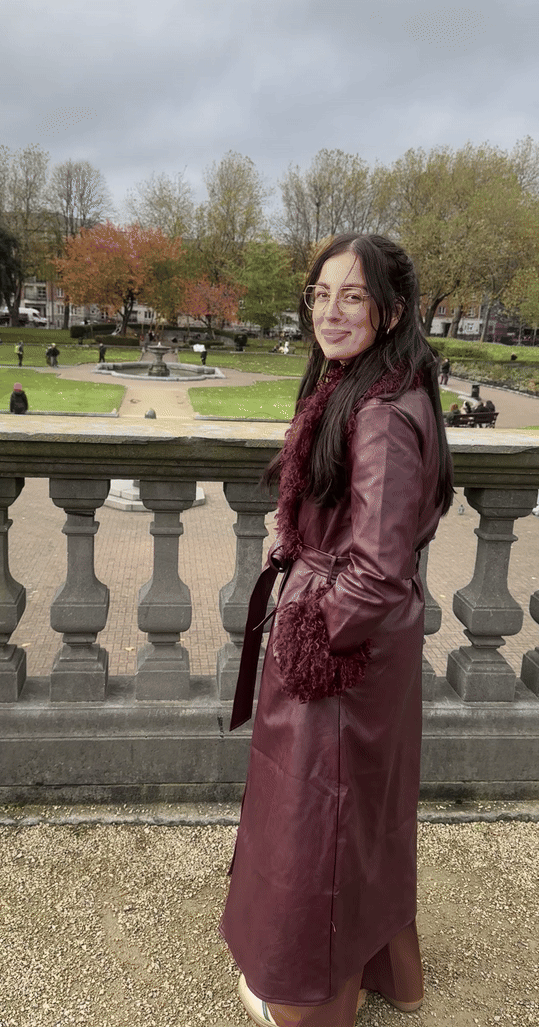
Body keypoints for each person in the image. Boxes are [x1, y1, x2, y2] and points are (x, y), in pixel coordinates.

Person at [221, 233, 454, 1027]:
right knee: (363, 817)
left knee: (318, 815)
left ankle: (306, 1003)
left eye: (351, 296)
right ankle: (396, 977)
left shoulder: (383, 410)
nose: (330, 310)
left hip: (343, 647)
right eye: (321, 294)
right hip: (364, 643)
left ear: (391, 309)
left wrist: (310, 639)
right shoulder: (374, 386)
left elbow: (379, 569)